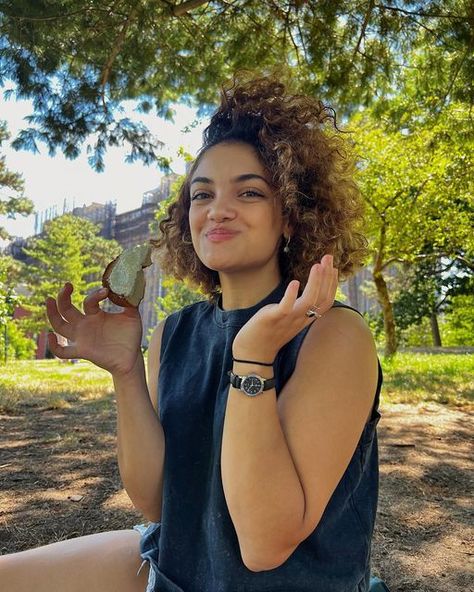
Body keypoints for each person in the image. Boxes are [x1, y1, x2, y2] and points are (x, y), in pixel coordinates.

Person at [0, 74, 385, 592]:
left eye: (249, 192)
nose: (216, 209)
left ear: (290, 217)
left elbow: (266, 543)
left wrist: (252, 358)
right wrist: (127, 372)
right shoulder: (176, 331)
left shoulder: (334, 335)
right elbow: (158, 502)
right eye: (202, 195)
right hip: (172, 569)